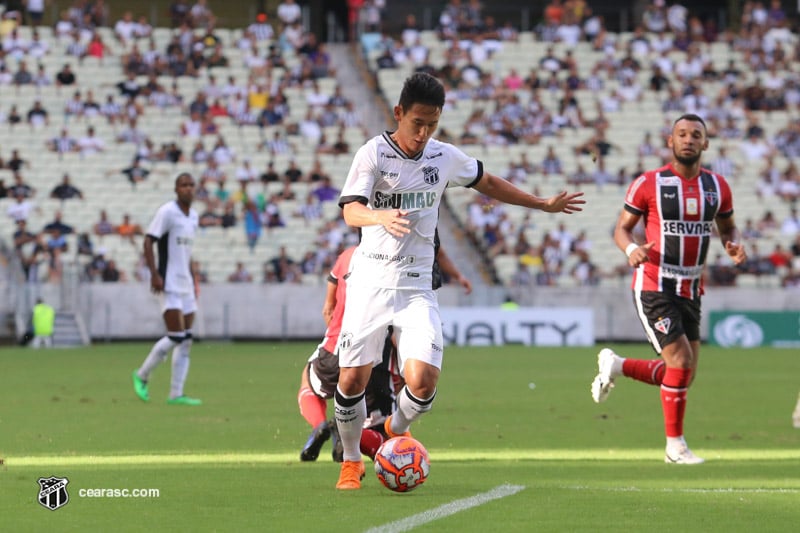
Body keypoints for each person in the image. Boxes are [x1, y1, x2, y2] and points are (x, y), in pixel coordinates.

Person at [332, 72, 585, 489]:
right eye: (417, 123)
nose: (424, 132)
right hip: (371, 282)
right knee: (352, 380)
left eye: (432, 123)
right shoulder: (372, 154)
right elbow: (351, 211)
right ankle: (352, 462)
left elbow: (487, 182)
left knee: (424, 382)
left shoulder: (443, 156)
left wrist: (541, 204)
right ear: (399, 113)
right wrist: (378, 215)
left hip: (416, 287)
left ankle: (394, 432)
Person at [590, 114, 747, 465]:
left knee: (683, 374)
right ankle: (675, 447)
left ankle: (617, 366)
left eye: (696, 135)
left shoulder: (718, 187)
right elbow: (622, 230)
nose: (688, 139)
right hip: (654, 285)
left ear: (705, 144)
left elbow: (729, 228)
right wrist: (632, 250)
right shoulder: (648, 183)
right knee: (679, 362)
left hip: (691, 289)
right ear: (670, 141)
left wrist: (734, 244)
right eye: (681, 134)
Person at [299, 233, 472, 463]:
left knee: (309, 386)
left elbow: (328, 308)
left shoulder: (347, 256)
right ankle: (361, 442)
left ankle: (321, 425)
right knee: (385, 432)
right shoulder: (402, 262)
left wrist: (338, 333)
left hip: (337, 347)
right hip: (378, 358)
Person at [132, 173, 202, 406]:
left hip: (186, 284)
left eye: (191, 184)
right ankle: (142, 375)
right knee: (176, 336)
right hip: (168, 282)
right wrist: (154, 274)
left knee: (187, 339)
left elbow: (187, 253)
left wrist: (194, 280)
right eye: (184, 184)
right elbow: (148, 240)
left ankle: (176, 394)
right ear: (176, 189)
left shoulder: (193, 216)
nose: (188, 188)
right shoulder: (167, 212)